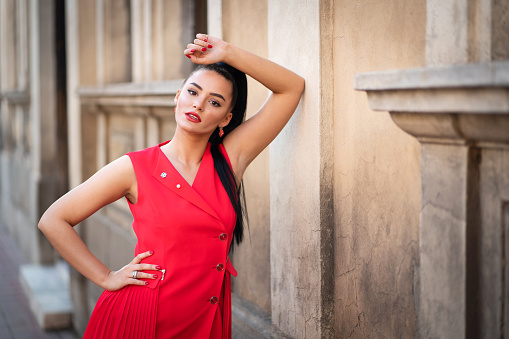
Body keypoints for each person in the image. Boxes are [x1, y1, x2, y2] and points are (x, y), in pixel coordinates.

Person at [38, 33, 304, 338]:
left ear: (225, 118)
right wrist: (107, 277)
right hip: (144, 318)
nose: (199, 105)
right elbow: (53, 219)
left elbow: (291, 88)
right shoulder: (135, 168)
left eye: (214, 102)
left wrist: (228, 52)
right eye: (193, 92)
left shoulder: (230, 160)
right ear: (177, 96)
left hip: (205, 319)